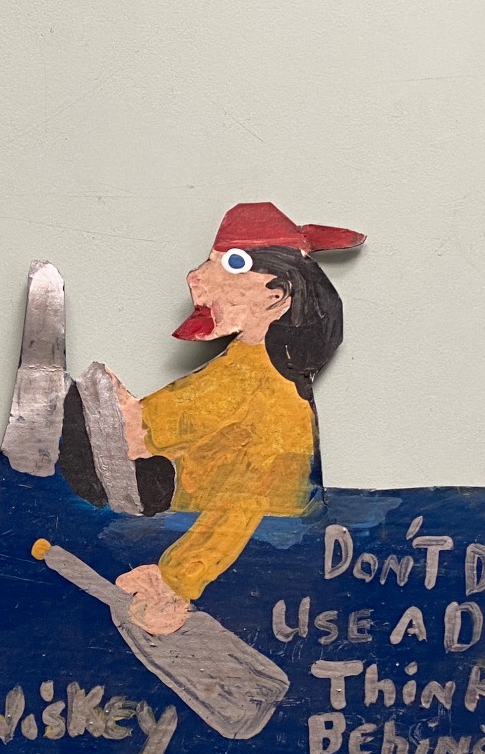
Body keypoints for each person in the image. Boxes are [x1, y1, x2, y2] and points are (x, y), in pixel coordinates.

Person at [62, 202, 362, 635]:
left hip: (232, 529)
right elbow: (161, 423)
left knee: (94, 413)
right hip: (187, 496)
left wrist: (176, 581)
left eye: (233, 264)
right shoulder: (247, 367)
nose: (195, 277)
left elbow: (238, 499)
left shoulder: (255, 385)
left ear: (276, 294)